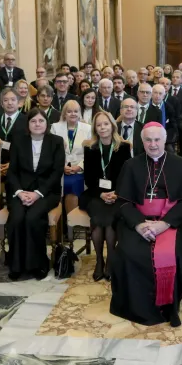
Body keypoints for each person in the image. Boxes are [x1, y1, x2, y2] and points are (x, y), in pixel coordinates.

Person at [110, 123, 182, 327]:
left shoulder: (180, 164)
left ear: (164, 139)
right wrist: (139, 224)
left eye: (157, 139)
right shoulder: (131, 165)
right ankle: (135, 307)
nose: (153, 144)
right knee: (128, 252)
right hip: (138, 222)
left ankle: (166, 305)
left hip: (170, 222)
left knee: (172, 253)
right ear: (142, 141)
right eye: (148, 140)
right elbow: (124, 201)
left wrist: (165, 223)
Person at [4, 108, 65, 280]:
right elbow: (12, 172)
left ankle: (39, 263)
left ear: (47, 123)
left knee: (32, 218)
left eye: (41, 121)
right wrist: (20, 192)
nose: (37, 124)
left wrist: (38, 193)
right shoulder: (18, 141)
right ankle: (16, 265)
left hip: (46, 192)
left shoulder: (56, 142)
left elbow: (57, 172)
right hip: (20, 191)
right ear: (28, 124)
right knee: (16, 218)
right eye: (33, 121)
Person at [80, 111, 132, 281]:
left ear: (112, 125)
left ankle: (110, 260)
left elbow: (126, 176)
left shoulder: (123, 147)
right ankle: (99, 262)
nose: (103, 128)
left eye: (106, 124)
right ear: (95, 128)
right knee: (97, 219)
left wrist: (115, 193)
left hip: (118, 194)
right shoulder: (90, 148)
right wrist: (101, 194)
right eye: (99, 125)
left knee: (110, 222)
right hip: (96, 194)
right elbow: (89, 178)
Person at [51, 100, 93, 198]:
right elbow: (51, 152)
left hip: (80, 170)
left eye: (75, 111)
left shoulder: (88, 129)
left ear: (79, 113)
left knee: (74, 184)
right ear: (64, 113)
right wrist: (62, 166)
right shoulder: (55, 128)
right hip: (60, 170)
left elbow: (90, 153)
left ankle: (71, 212)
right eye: (69, 111)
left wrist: (79, 166)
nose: (73, 114)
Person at [0, 88, 27, 166]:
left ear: (19, 103)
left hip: (19, 165)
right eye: (5, 100)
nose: (9, 103)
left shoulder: (27, 121)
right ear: (1, 104)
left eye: (13, 100)